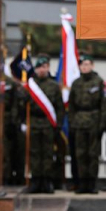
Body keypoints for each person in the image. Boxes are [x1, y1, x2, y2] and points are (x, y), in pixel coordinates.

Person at [68, 55, 106, 194]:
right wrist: (72, 123)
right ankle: (82, 184)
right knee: (80, 154)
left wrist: (101, 125)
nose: (85, 67)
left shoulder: (99, 82)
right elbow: (72, 106)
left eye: (87, 64)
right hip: (79, 123)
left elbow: (104, 106)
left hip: (94, 122)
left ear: (92, 65)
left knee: (92, 155)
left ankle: (92, 184)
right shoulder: (76, 83)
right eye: (82, 65)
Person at [27, 56, 64, 194]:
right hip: (34, 122)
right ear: (35, 69)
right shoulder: (30, 85)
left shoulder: (53, 86)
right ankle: (36, 180)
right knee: (35, 153)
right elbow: (23, 106)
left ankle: (48, 181)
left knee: (48, 153)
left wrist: (58, 124)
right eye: (39, 67)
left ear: (48, 68)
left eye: (45, 67)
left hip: (48, 123)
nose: (42, 70)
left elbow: (59, 107)